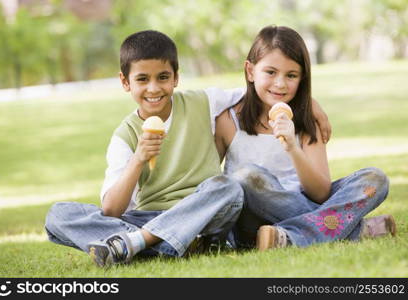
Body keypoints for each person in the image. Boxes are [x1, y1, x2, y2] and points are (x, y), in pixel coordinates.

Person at [45, 29, 330, 267]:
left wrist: (310, 104)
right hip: (151, 216)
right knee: (59, 214)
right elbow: (111, 210)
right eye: (142, 79)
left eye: (163, 77)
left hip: (207, 211)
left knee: (228, 187)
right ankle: (170, 243)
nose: (154, 88)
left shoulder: (203, 103)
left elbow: (262, 91)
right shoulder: (124, 137)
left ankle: (137, 243)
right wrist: (139, 159)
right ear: (125, 82)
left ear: (176, 78)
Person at [214, 25, 396, 251]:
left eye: (291, 75)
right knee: (247, 177)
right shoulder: (228, 120)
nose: (280, 83)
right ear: (250, 71)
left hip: (301, 201)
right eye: (270, 72)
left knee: (374, 179)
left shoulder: (307, 120)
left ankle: (288, 237)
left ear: (302, 79)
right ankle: (354, 229)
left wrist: (292, 147)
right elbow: (214, 186)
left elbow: (320, 192)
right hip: (250, 221)